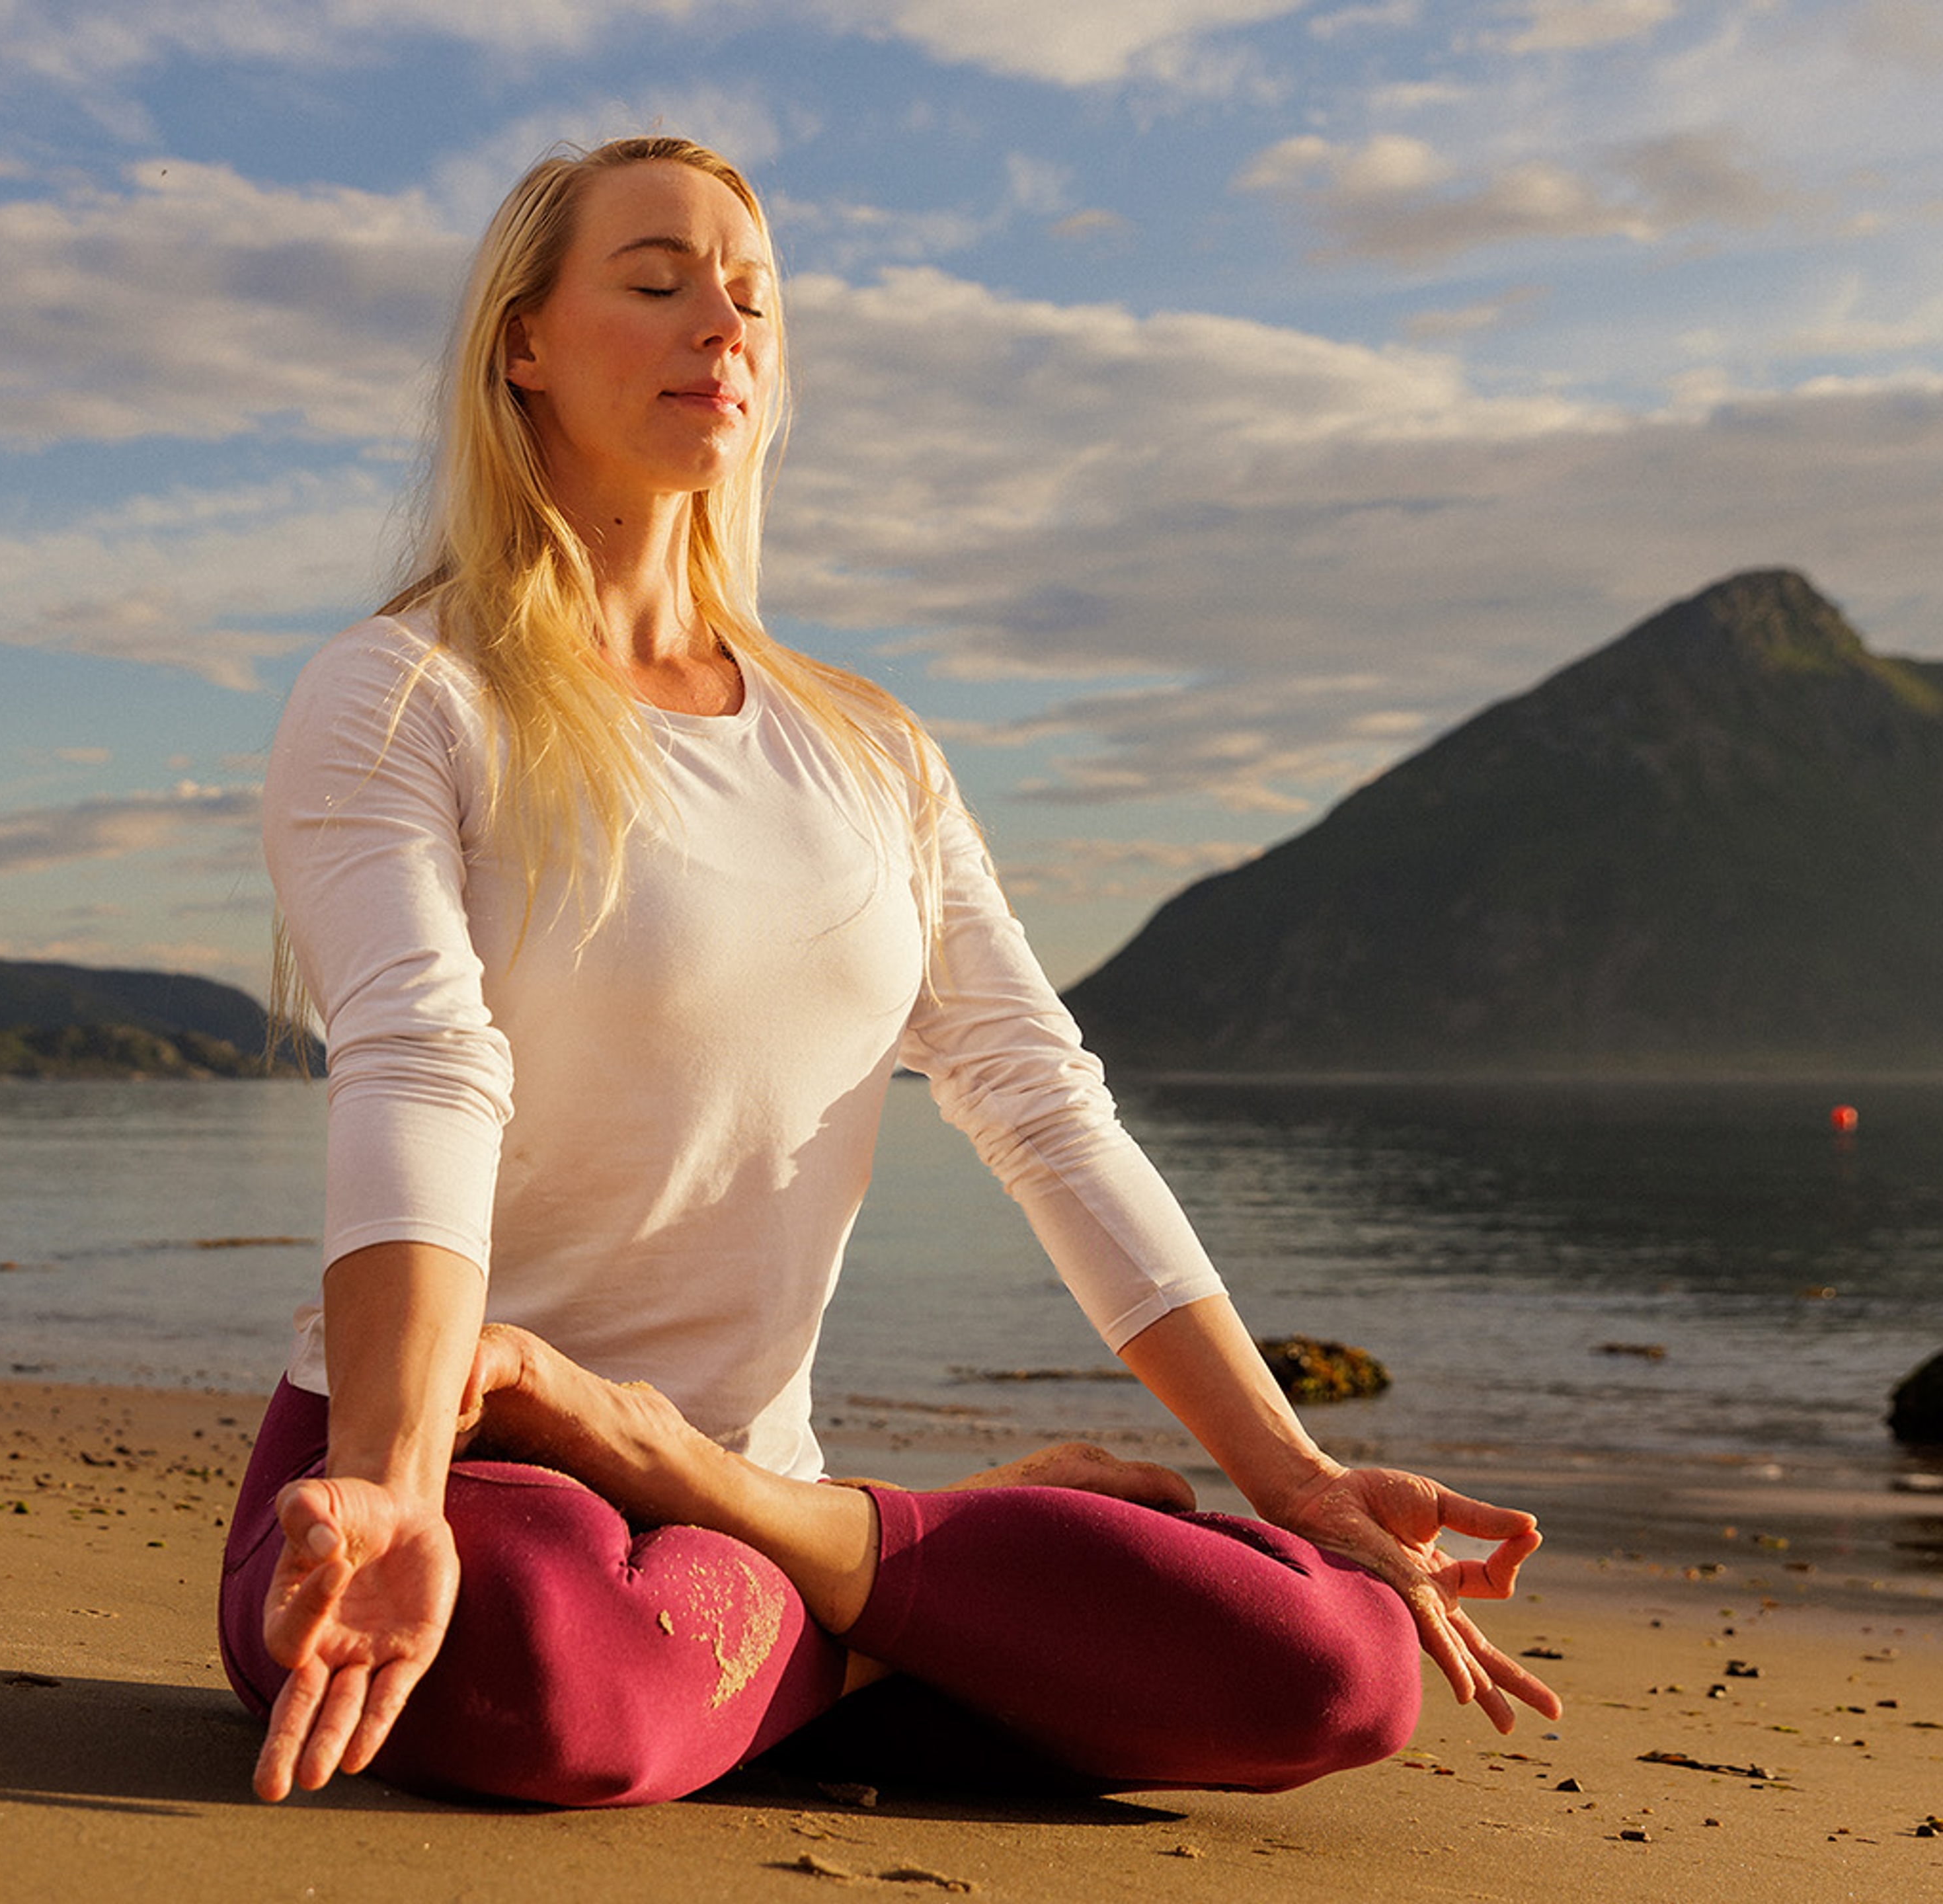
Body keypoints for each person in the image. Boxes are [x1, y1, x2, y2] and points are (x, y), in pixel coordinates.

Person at [218, 134, 1560, 1809]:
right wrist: (392, 1480)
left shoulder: (872, 754)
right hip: (458, 1467)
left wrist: (1294, 1479)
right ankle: (901, 1593)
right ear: (523, 343)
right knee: (538, 1670)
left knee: (1342, 1666)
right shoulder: (407, 696)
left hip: (738, 1500)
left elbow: (1043, 1111)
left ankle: (788, 1541)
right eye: (657, 281)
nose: (723, 320)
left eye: (754, 296)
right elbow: (421, 1062)